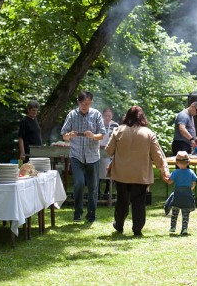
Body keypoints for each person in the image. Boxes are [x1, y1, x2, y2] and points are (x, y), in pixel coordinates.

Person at [106, 105, 170, 236]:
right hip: (140, 174)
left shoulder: (118, 130)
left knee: (122, 200)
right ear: (142, 117)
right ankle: (137, 229)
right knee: (139, 202)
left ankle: (119, 225)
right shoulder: (148, 133)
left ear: (127, 116)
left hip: (121, 174)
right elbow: (157, 155)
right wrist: (163, 168)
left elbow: (108, 151)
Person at [61, 90, 106, 223]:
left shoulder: (96, 114)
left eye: (87, 103)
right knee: (79, 183)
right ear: (78, 102)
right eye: (82, 103)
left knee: (93, 186)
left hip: (93, 156)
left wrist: (93, 136)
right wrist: (69, 135)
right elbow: (64, 135)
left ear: (91, 102)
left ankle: (91, 214)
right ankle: (77, 213)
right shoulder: (72, 115)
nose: (84, 106)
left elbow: (102, 135)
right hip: (76, 156)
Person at [164, 150, 197, 236]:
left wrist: (165, 177)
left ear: (177, 163)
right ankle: (184, 229)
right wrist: (190, 189)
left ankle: (173, 227)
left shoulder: (175, 172)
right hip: (187, 195)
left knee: (175, 212)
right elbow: (194, 183)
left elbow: (169, 182)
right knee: (185, 213)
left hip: (177, 195)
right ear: (188, 162)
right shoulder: (191, 172)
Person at [99, 107, 119, 199]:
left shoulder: (115, 125)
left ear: (112, 116)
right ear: (102, 115)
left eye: (109, 116)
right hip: (99, 150)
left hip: (109, 151)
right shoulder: (99, 124)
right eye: (105, 115)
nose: (107, 117)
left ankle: (108, 190)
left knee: (108, 171)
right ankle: (98, 191)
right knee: (98, 171)